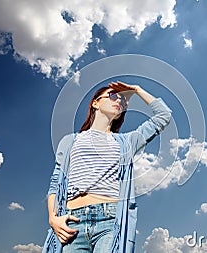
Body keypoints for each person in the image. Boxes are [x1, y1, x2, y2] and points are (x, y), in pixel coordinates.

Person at [45, 81, 172, 253]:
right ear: (95, 103)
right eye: (113, 96)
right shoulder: (69, 141)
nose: (118, 101)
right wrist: (53, 219)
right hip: (72, 222)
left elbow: (163, 116)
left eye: (122, 100)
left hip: (110, 221)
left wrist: (136, 90)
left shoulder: (127, 142)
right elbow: (55, 183)